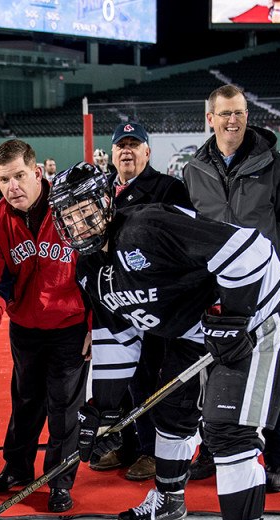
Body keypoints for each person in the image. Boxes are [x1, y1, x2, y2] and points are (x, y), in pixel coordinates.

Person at [50, 162, 280, 520]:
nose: (78, 224)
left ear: (107, 201)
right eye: (68, 217)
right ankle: (168, 502)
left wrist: (235, 316)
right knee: (172, 413)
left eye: (86, 211)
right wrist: (99, 408)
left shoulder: (146, 227)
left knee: (228, 431)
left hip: (258, 319)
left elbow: (250, 248)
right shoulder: (89, 269)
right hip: (197, 328)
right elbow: (115, 336)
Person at [181, 84, 280, 493]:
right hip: (216, 291)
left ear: (247, 116)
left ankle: (277, 459)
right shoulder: (194, 169)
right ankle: (213, 451)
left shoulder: (278, 166)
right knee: (213, 372)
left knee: (268, 376)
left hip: (265, 292)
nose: (233, 120)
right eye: (225, 113)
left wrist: (261, 259)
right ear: (210, 119)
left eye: (239, 112)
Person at [0, 140, 90, 513]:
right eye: (4, 180)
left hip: (70, 327)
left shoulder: (71, 207)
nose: (12, 187)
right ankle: (17, 469)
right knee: (25, 402)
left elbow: (97, 269)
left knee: (64, 408)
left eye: (19, 176)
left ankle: (59, 482)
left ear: (37, 173)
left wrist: (95, 324)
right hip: (25, 328)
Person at [91, 121, 190, 483]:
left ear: (148, 152)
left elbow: (182, 245)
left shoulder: (169, 188)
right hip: (115, 302)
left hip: (156, 304)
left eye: (135, 145)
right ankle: (128, 443)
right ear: (112, 152)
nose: (127, 151)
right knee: (124, 378)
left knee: (152, 378)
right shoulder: (101, 190)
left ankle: (152, 450)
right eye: (121, 146)